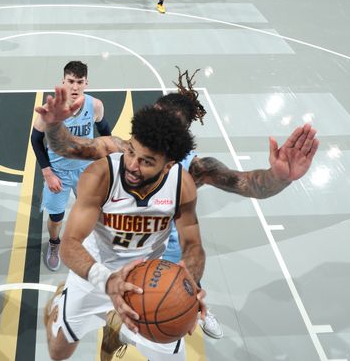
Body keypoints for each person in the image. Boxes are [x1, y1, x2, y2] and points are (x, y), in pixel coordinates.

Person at [37, 69, 320, 342]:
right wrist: (53, 125)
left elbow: (250, 184)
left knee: (166, 308)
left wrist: (280, 177)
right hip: (113, 243)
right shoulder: (122, 149)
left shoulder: (195, 170)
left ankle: (169, 317)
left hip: (164, 247)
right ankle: (92, 314)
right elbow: (71, 147)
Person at [41, 104, 206, 361]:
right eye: (130, 151)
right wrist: (108, 281)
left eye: (146, 161)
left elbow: (193, 245)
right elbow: (69, 244)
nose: (131, 164)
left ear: (168, 165)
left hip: (149, 283)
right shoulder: (101, 175)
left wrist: (190, 285)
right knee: (57, 353)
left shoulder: (181, 185)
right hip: (95, 273)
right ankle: (60, 303)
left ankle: (117, 328)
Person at [31, 61, 111, 272]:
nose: (74, 87)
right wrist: (47, 173)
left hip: (87, 170)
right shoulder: (50, 110)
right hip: (59, 172)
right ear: (63, 82)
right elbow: (35, 139)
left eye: (79, 82)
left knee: (93, 210)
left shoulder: (95, 105)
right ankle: (55, 243)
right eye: (70, 81)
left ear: (86, 83)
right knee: (56, 217)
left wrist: (105, 161)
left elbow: (105, 132)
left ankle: (94, 244)